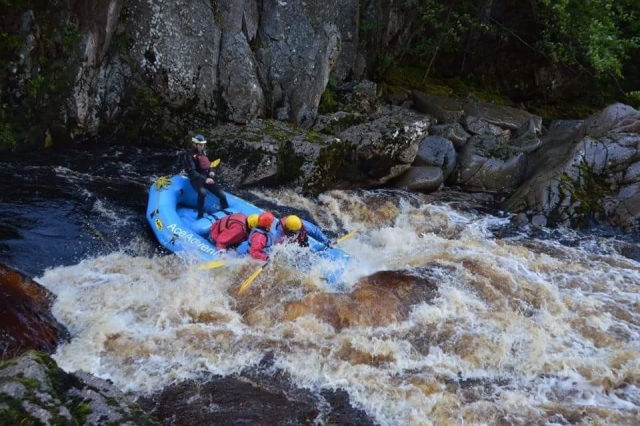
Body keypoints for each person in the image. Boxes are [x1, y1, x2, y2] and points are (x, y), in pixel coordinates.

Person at [182, 134, 229, 219]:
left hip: (205, 176)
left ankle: (227, 211)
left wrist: (211, 172)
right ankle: (200, 215)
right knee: (202, 193)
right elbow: (192, 171)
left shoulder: (203, 152)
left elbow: (208, 165)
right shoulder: (188, 154)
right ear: (195, 144)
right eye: (200, 144)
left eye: (203, 144)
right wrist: (205, 179)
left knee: (222, 195)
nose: (202, 146)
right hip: (196, 178)